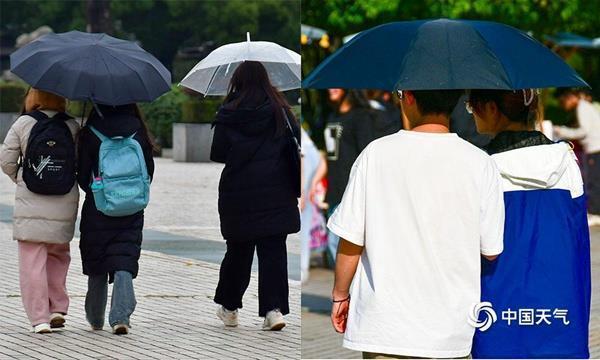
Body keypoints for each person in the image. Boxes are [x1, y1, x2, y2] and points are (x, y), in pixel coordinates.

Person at [329, 89, 504, 358]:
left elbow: (352, 239)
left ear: (408, 97)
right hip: (450, 329)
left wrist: (341, 294)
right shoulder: (480, 162)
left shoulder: (375, 154)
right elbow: (491, 249)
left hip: (384, 327)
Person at [468, 89, 591, 358]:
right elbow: (578, 239)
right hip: (561, 311)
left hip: (497, 312)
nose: (471, 113)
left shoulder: (480, 167)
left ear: (490, 108)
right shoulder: (567, 161)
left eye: (471, 106)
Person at [211, 61, 300, 331]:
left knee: (238, 251)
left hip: (238, 193)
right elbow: (294, 142)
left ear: (237, 81)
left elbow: (217, 153)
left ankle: (230, 308)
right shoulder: (281, 111)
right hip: (276, 190)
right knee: (273, 251)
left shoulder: (228, 112)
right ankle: (273, 312)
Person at [0, 88, 80, 333]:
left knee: (32, 261)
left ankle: (39, 319)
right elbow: (82, 162)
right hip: (64, 198)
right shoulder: (73, 126)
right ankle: (57, 307)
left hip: (31, 200)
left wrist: (22, 179)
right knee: (58, 255)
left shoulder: (23, 123)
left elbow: (6, 160)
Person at [77, 103, 155, 335]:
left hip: (98, 207)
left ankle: (96, 318)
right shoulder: (138, 131)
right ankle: (121, 317)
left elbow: (82, 177)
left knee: (97, 261)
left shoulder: (90, 132)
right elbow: (148, 171)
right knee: (124, 259)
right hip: (131, 208)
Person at [324, 89, 400, 263]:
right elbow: (331, 155)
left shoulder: (361, 117)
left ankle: (346, 288)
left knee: (341, 247)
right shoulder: (332, 116)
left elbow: (368, 155)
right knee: (333, 247)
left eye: (337, 85)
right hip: (334, 189)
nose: (331, 89)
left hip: (351, 190)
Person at [553, 87, 600, 225]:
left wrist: (562, 131)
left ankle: (595, 213)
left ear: (569, 97)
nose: (563, 105)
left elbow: (584, 131)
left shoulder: (582, 107)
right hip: (595, 148)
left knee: (593, 182)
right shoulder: (586, 106)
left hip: (595, 148)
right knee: (595, 180)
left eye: (563, 101)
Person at [300, 127, 327, 284]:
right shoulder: (309, 142)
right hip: (308, 193)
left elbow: (301, 163)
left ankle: (303, 269)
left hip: (304, 192)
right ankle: (303, 268)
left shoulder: (302, 140)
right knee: (305, 228)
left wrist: (302, 190)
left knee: (303, 229)